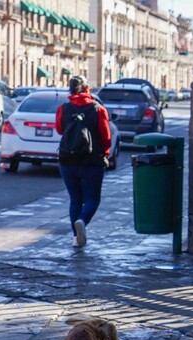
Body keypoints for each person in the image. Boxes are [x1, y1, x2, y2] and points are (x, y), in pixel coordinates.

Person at [55, 75, 111, 248]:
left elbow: (59, 129)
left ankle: (75, 237)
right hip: (92, 161)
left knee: (75, 199)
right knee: (92, 199)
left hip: (68, 160)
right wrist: (105, 153)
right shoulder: (98, 109)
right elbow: (106, 137)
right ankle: (82, 221)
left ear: (70, 90)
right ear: (87, 89)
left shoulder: (63, 108)